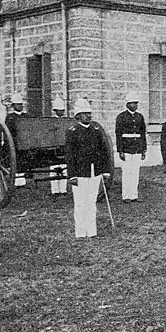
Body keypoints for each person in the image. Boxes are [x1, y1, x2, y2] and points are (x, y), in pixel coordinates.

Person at [65, 98, 112, 238]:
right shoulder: (72, 132)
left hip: (95, 172)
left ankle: (92, 231)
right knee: (80, 202)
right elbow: (69, 155)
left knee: (91, 202)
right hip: (80, 172)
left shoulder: (97, 130)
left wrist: (105, 171)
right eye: (85, 113)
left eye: (90, 113)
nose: (89, 116)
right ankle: (80, 232)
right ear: (78, 116)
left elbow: (104, 152)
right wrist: (71, 175)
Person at [115, 91, 147, 202]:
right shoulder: (121, 117)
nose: (135, 105)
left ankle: (134, 195)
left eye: (136, 103)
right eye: (132, 103)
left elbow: (143, 133)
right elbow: (118, 134)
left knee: (135, 172)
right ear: (127, 104)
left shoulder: (140, 117)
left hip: (137, 147)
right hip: (126, 147)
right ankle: (126, 195)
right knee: (127, 172)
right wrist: (120, 150)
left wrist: (143, 149)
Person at [5, 93, 28, 187]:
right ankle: (16, 180)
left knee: (24, 160)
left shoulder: (26, 116)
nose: (20, 106)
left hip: (25, 141)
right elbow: (8, 132)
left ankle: (22, 180)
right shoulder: (10, 117)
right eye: (18, 104)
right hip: (15, 143)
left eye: (21, 104)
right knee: (17, 160)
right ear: (13, 106)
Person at [48, 97, 69, 196]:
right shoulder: (51, 121)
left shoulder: (66, 122)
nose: (61, 112)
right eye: (59, 110)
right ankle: (55, 190)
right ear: (55, 111)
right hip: (54, 147)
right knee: (54, 169)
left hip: (63, 147)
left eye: (62, 110)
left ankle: (63, 189)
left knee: (64, 168)